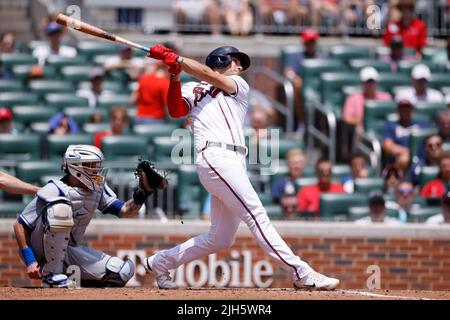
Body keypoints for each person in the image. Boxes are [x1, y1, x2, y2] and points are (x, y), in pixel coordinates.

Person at [142, 44, 340, 290]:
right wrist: (174, 74)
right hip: (215, 155)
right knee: (257, 215)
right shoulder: (192, 87)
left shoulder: (238, 85)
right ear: (221, 59)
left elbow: (209, 75)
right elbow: (175, 110)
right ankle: (300, 271)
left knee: (220, 238)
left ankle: (161, 262)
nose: (240, 67)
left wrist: (179, 60)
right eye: (236, 61)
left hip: (234, 160)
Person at [12, 145, 156, 287]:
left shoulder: (97, 189)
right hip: (41, 250)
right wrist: (30, 260)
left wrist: (141, 195)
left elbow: (125, 212)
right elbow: (19, 225)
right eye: (91, 165)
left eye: (97, 165)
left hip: (71, 250)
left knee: (120, 272)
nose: (96, 170)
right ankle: (51, 275)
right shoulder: (54, 189)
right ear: (76, 167)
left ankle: (69, 277)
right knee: (60, 209)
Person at [283, 28, 324, 126]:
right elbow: (288, 71)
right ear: (304, 42)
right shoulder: (298, 56)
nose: (310, 44)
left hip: (319, 86)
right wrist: (294, 78)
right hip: (302, 89)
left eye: (312, 41)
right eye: (308, 42)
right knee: (298, 85)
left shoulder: (322, 56)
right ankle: (302, 123)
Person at [381, 92, 429, 174]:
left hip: (422, 156)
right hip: (401, 158)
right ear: (397, 110)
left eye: (407, 108)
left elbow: (430, 140)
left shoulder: (422, 124)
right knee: (404, 159)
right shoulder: (390, 126)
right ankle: (403, 181)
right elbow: (387, 145)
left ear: (412, 110)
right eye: (402, 108)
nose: (405, 111)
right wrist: (408, 152)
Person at [342, 67, 392, 133]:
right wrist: (364, 120)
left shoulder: (386, 97)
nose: (370, 84)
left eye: (372, 81)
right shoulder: (353, 98)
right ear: (362, 82)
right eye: (368, 82)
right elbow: (346, 119)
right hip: (361, 133)